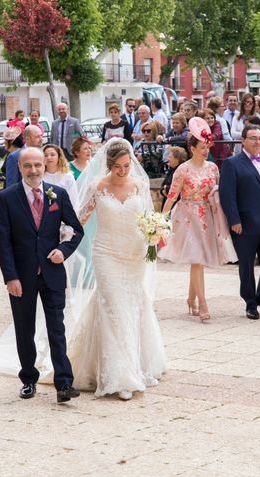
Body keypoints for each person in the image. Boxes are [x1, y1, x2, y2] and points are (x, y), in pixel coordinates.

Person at [70, 138, 166, 400]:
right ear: (109, 165)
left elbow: (148, 218)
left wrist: (155, 234)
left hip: (134, 255)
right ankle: (121, 376)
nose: (123, 171)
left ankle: (134, 365)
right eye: (118, 167)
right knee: (115, 309)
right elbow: (81, 218)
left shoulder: (140, 185)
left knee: (132, 308)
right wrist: (63, 234)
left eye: (126, 166)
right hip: (106, 254)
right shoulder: (97, 187)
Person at [0, 147, 84, 403]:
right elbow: (3, 242)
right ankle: (28, 379)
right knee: (25, 329)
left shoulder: (58, 194)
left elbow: (76, 230)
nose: (33, 170)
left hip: (52, 272)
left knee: (57, 328)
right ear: (20, 168)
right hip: (21, 276)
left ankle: (64, 384)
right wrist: (10, 277)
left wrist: (63, 250)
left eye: (38, 165)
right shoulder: (7, 198)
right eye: (28, 166)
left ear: (44, 166)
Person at [159, 117, 237, 322]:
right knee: (197, 260)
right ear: (192, 148)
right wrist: (160, 219)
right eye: (202, 147)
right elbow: (172, 196)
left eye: (207, 146)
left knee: (199, 261)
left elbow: (218, 192)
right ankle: (203, 304)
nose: (205, 150)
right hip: (187, 217)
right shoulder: (182, 170)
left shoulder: (213, 168)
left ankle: (190, 298)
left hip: (207, 216)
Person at [220, 125, 260, 320]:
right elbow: (227, 195)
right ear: (243, 141)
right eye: (253, 138)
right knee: (246, 265)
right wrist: (234, 220)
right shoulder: (232, 164)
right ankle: (250, 303)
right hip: (245, 224)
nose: (258, 141)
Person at [42, 144, 79, 209]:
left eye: (52, 155)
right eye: (45, 155)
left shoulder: (68, 177)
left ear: (59, 157)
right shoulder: (39, 177)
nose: (49, 157)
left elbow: (74, 201)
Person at [160, 146, 187, 210]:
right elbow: (162, 186)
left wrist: (166, 188)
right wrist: (164, 189)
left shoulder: (181, 171)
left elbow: (176, 191)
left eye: (170, 157)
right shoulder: (171, 170)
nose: (168, 159)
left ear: (177, 159)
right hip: (168, 204)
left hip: (176, 207)